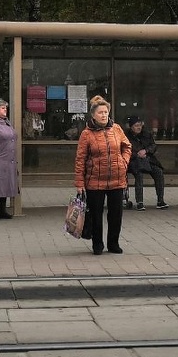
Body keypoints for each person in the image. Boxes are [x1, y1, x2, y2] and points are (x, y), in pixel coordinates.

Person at [73, 95, 131, 254]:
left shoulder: (117, 129)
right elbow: (80, 159)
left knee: (116, 215)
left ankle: (113, 243)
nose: (104, 115)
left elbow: (127, 146)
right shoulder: (86, 134)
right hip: (94, 181)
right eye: (100, 112)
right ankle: (97, 244)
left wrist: (123, 162)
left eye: (106, 112)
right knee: (96, 215)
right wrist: (79, 183)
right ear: (93, 115)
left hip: (117, 180)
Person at [124, 116, 168, 210]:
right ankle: (140, 202)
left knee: (158, 172)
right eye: (136, 126)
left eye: (140, 125)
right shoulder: (126, 136)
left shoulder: (146, 134)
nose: (139, 127)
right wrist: (137, 154)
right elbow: (125, 149)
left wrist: (146, 151)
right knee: (139, 173)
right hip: (133, 161)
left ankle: (160, 200)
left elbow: (153, 145)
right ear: (131, 127)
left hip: (148, 159)